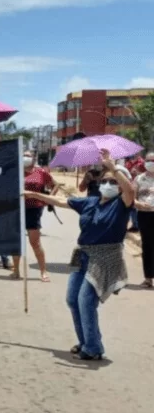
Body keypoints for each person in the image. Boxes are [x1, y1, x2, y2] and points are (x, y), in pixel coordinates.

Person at [27, 149, 132, 361]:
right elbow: (62, 202)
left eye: (114, 182)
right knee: (72, 300)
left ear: (121, 186)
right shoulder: (91, 201)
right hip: (82, 255)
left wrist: (112, 167)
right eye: (106, 181)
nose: (109, 185)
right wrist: (34, 195)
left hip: (105, 257)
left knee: (86, 300)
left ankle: (93, 347)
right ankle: (86, 341)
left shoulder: (122, 204)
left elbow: (130, 191)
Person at [12, 151, 57, 282]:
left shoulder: (41, 172)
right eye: (23, 155)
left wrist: (49, 198)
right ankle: (16, 270)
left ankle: (43, 271)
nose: (25, 157)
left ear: (34, 158)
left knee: (35, 242)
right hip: (17, 209)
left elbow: (55, 185)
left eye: (28, 155)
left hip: (34, 209)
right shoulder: (15, 171)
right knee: (17, 241)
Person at [134, 151, 154, 289]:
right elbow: (132, 198)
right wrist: (138, 204)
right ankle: (148, 278)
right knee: (147, 246)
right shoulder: (139, 179)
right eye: (149, 160)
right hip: (144, 215)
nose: (151, 163)